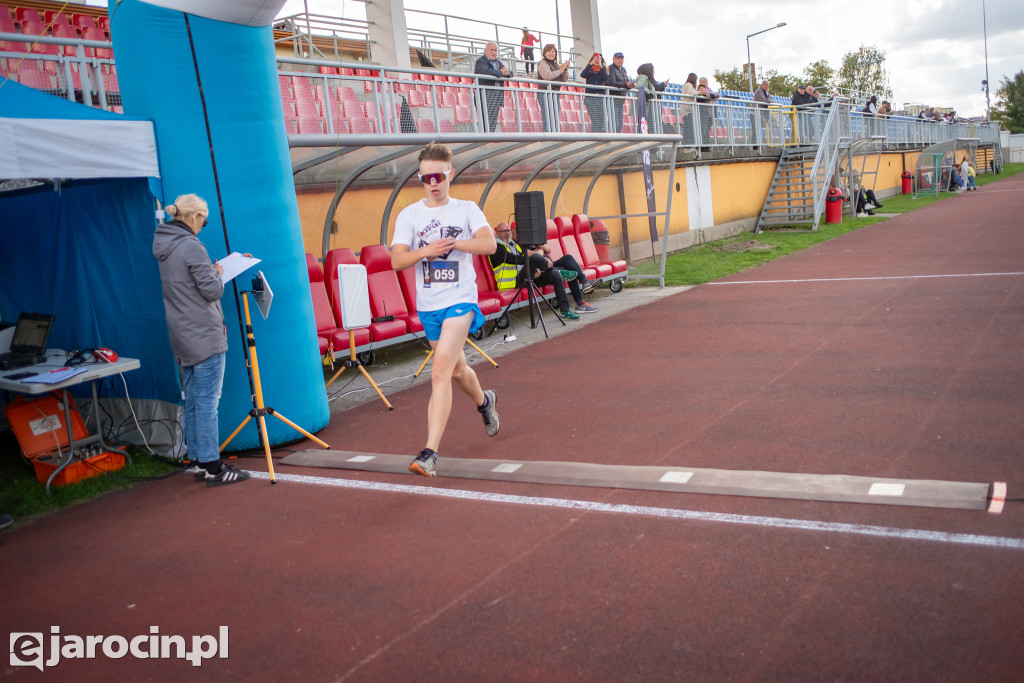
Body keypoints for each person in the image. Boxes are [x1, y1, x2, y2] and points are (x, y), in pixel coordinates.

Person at [390, 142, 500, 478]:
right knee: (455, 371)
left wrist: (454, 244)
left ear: (450, 174)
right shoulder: (410, 215)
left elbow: (490, 244)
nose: (433, 182)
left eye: (438, 176)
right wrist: (426, 251)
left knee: (439, 372)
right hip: (430, 307)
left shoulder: (466, 210)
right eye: (426, 178)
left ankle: (429, 453)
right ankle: (485, 402)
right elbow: (397, 260)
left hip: (460, 301)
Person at [153, 194, 248, 487]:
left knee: (194, 400)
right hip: (204, 333)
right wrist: (217, 273)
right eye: (204, 221)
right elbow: (212, 291)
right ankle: (212, 466)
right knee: (207, 402)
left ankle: (198, 459)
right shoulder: (191, 246)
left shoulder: (164, 245)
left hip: (181, 332)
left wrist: (210, 272)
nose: (204, 226)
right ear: (194, 218)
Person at [489, 222, 598, 321]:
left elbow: (542, 251)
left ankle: (565, 310)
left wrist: (536, 266)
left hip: (526, 277)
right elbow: (516, 259)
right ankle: (560, 273)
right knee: (535, 258)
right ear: (497, 234)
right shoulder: (497, 248)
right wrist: (537, 261)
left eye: (508, 231)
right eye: (504, 231)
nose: (507, 233)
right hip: (513, 282)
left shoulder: (511, 245)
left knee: (555, 275)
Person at [474, 42, 511, 132]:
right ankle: (484, 143)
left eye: (495, 50)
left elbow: (510, 73)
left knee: (492, 124)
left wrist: (506, 73)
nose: (493, 52)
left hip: (495, 97)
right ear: (485, 51)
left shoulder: (498, 62)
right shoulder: (480, 61)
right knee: (486, 123)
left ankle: (488, 142)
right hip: (484, 97)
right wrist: (500, 73)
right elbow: (486, 72)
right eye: (491, 50)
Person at [537, 43, 570, 132]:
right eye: (549, 51)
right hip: (545, 94)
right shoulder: (543, 63)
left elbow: (564, 80)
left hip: (555, 94)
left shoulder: (556, 65)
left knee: (554, 119)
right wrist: (561, 70)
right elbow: (547, 76)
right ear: (544, 53)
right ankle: (547, 140)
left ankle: (553, 138)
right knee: (548, 120)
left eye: (553, 51)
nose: (551, 53)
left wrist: (565, 70)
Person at [634, 63, 668, 133]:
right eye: (653, 69)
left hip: (650, 105)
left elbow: (653, 89)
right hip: (647, 105)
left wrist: (651, 92)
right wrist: (649, 92)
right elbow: (640, 85)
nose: (654, 71)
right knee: (647, 122)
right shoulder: (644, 78)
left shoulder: (648, 79)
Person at [580, 52, 608, 132]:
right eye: (595, 58)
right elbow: (583, 75)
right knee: (596, 121)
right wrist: (590, 64)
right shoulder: (589, 70)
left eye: (599, 59)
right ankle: (595, 139)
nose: (597, 60)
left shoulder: (603, 70)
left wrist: (601, 66)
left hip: (600, 99)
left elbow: (606, 78)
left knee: (600, 121)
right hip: (590, 100)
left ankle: (597, 138)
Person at [607, 51, 635, 133]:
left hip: (620, 100)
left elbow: (625, 82)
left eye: (622, 59)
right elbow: (612, 83)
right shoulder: (610, 68)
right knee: (615, 122)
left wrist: (629, 85)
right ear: (613, 59)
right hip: (613, 99)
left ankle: (616, 138)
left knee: (619, 124)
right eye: (618, 58)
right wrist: (626, 85)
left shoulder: (623, 69)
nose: (620, 60)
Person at [679, 73, 698, 143]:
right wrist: (701, 92)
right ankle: (688, 145)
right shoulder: (688, 85)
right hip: (687, 111)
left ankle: (688, 145)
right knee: (689, 129)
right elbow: (692, 93)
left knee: (688, 128)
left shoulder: (686, 85)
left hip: (685, 111)